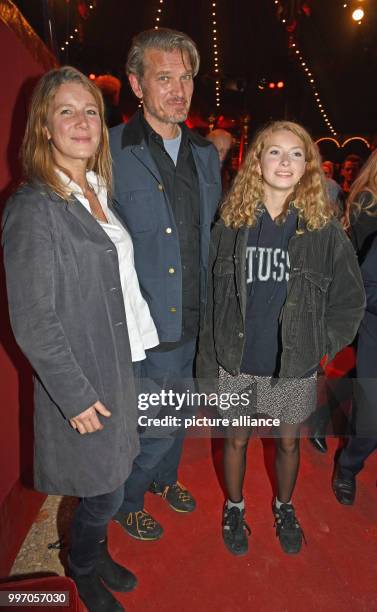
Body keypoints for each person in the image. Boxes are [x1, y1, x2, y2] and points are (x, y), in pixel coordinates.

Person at [2, 66, 159, 612]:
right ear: (43, 125)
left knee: (116, 473)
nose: (81, 121)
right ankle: (82, 568)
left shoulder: (96, 191)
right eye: (65, 110)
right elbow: (33, 318)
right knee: (104, 486)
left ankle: (94, 553)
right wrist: (72, 394)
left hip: (122, 361)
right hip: (86, 375)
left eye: (90, 110)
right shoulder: (33, 207)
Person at [197, 120, 365, 556]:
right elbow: (209, 297)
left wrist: (321, 346)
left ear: (308, 165)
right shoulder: (230, 224)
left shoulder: (323, 230)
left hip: (292, 364)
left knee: (288, 442)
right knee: (236, 439)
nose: (285, 162)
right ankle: (235, 507)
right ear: (257, 161)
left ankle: (283, 505)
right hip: (236, 358)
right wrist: (208, 362)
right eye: (275, 151)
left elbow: (350, 300)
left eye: (295, 154)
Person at [110, 28, 221, 541]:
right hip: (148, 323)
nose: (179, 90)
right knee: (153, 422)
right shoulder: (111, 152)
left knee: (182, 411)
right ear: (136, 84)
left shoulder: (204, 155)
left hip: (200, 318)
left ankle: (164, 479)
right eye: (163, 78)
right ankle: (127, 501)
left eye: (186, 78)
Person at [333, 150, 377, 505]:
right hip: (368, 310)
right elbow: (360, 270)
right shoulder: (366, 201)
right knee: (371, 410)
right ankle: (347, 467)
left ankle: (323, 410)